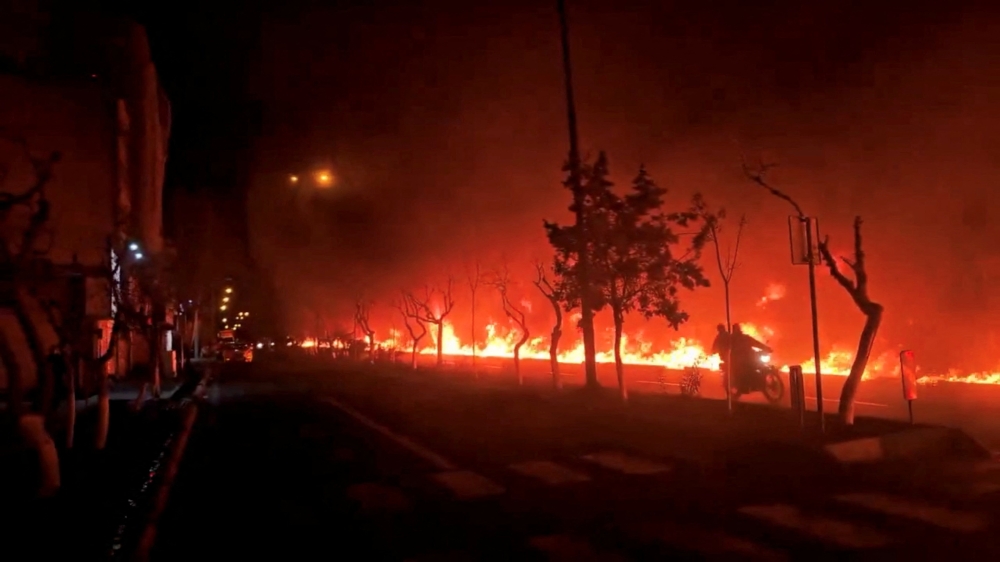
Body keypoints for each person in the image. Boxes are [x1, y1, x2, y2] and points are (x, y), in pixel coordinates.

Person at [730, 324, 773, 391]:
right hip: (740, 361)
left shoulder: (745, 338)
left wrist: (766, 349)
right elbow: (727, 350)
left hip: (750, 358)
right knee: (744, 371)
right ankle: (744, 385)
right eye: (737, 329)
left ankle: (758, 383)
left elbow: (756, 343)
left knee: (759, 366)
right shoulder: (732, 340)